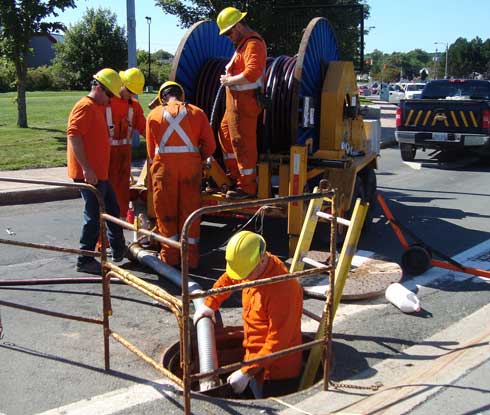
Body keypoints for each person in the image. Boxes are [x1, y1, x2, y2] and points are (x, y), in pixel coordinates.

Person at [193, 231, 303, 398]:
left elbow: (278, 342)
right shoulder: (252, 269)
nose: (243, 279)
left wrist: (247, 371)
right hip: (253, 360)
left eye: (246, 275)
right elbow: (230, 278)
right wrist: (210, 304)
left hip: (276, 374)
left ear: (262, 260)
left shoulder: (283, 290)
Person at [146, 81, 216, 269]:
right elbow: (210, 145)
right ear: (181, 95)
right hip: (190, 170)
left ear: (162, 98)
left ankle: (169, 258)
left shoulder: (154, 115)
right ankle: (190, 260)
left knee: (166, 214)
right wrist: (196, 158)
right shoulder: (197, 112)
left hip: (163, 171)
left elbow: (151, 151)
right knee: (190, 213)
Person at [67, 68, 127, 275]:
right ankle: (85, 259)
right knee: (93, 216)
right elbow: (73, 136)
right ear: (98, 88)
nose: (111, 100)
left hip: (99, 174)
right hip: (90, 175)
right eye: (109, 95)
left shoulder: (97, 106)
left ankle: (119, 249)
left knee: (112, 210)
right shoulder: (85, 106)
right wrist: (87, 169)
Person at [216, 7, 267, 199]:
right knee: (225, 135)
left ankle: (247, 187)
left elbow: (253, 72)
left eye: (229, 33)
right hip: (235, 105)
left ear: (238, 26)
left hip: (245, 105)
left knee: (242, 144)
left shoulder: (253, 44)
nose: (228, 37)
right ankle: (236, 179)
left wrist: (229, 81)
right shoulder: (242, 46)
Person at [105, 67, 147, 219]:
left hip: (123, 157)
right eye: (128, 89)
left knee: (122, 192)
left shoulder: (134, 106)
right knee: (105, 195)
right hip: (106, 157)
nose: (129, 94)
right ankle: (102, 237)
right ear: (120, 83)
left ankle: (119, 228)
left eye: (132, 91)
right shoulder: (106, 103)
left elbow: (145, 128)